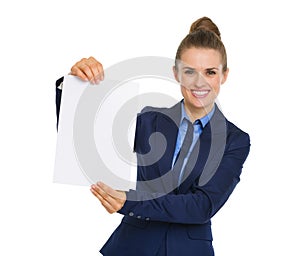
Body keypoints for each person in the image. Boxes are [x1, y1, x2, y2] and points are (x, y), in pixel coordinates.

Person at [55, 17, 250, 256]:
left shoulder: (235, 140)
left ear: (224, 75)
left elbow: (202, 206)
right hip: (131, 246)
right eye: (190, 71)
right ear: (176, 73)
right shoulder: (149, 121)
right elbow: (83, 135)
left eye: (210, 72)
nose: (200, 82)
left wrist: (130, 202)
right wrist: (75, 85)